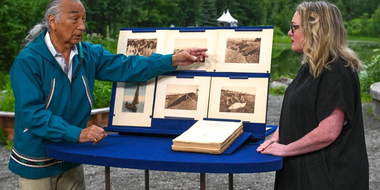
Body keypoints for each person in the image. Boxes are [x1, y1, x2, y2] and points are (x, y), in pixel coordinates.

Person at [8, 0, 208, 189]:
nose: (82, 26)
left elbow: (127, 66)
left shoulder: (88, 54)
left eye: (84, 19)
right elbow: (33, 115)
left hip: (70, 156)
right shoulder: (28, 61)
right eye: (74, 18)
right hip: (37, 161)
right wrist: (78, 133)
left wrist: (171, 60)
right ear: (53, 21)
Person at [257, 1, 369, 189]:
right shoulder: (312, 66)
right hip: (306, 171)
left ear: (315, 30)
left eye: (294, 27)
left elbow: (328, 132)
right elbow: (297, 111)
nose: (289, 33)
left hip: (328, 177)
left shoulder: (337, 71)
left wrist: (285, 149)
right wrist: (278, 136)